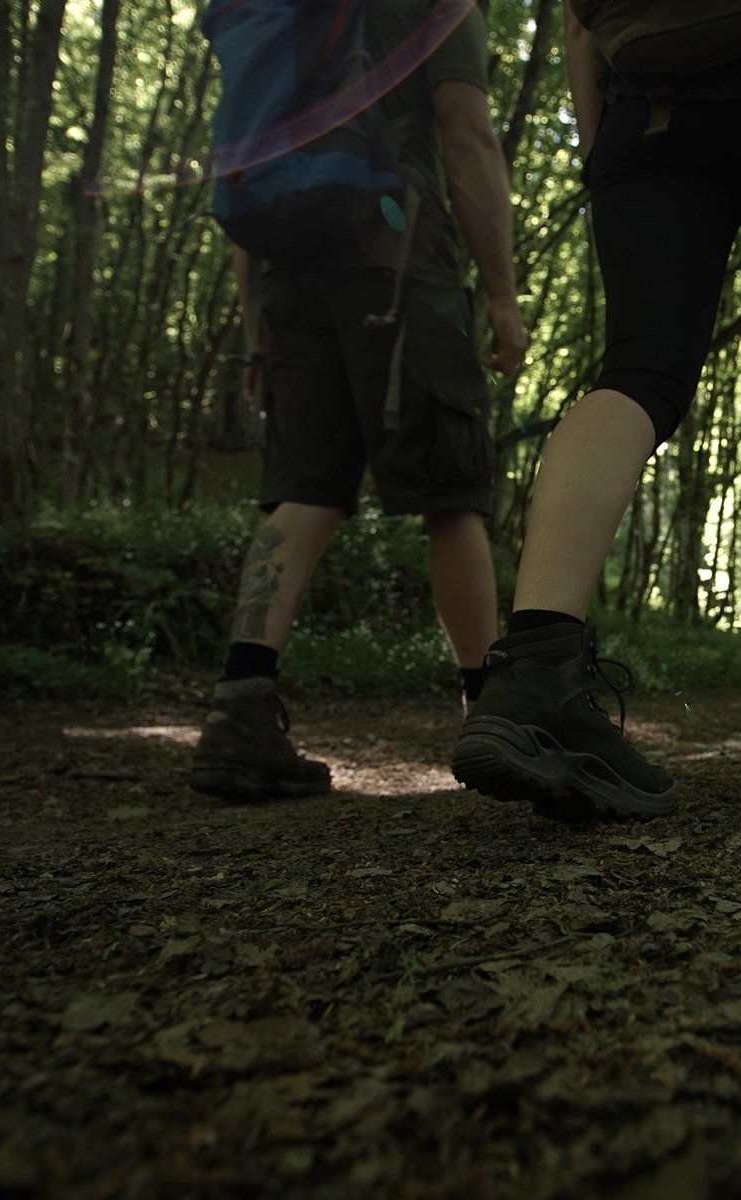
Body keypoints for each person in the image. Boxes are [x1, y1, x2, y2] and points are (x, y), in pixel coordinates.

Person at [450, 0, 741, 822]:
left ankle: (534, 674)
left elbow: (579, 22)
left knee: (637, 373)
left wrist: (600, 147)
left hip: (646, 119)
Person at [191, 0, 528, 801]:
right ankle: (492, 715)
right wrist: (502, 296)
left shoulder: (277, 12)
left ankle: (240, 712)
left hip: (287, 277)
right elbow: (469, 140)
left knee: (305, 491)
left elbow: (251, 173)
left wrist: (257, 330)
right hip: (403, 261)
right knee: (451, 490)